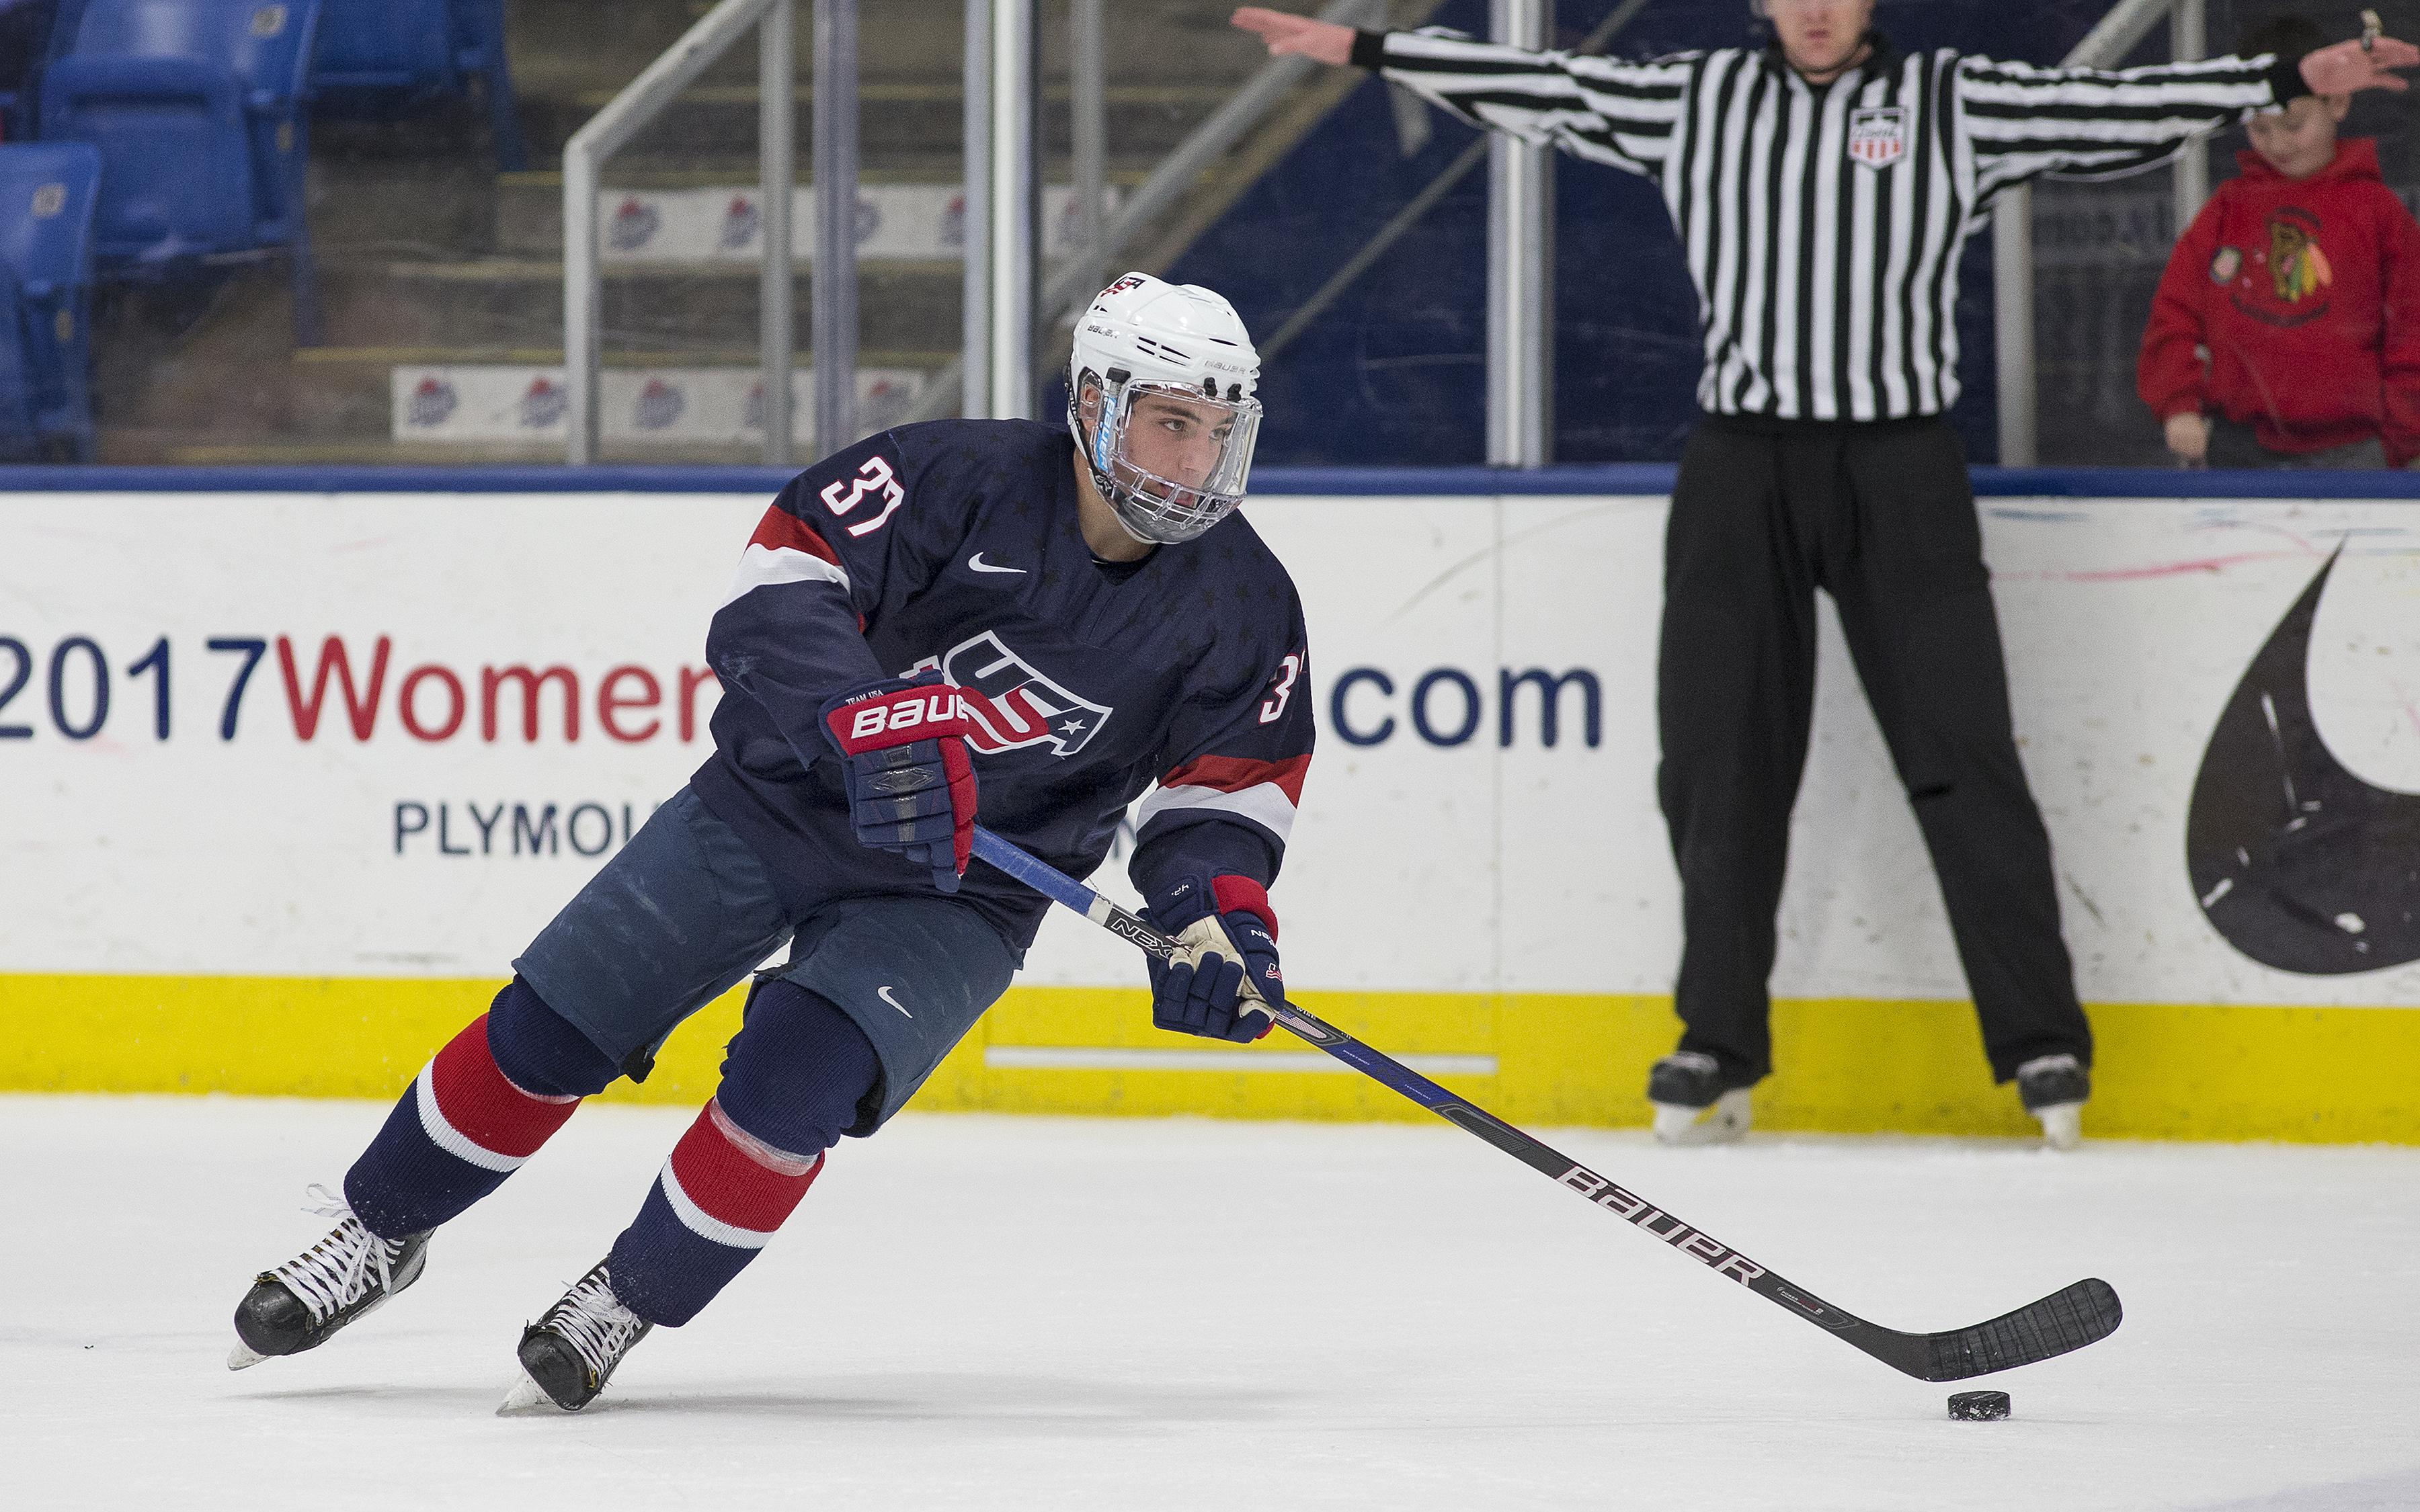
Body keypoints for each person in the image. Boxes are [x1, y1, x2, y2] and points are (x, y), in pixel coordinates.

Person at [1232, 0, 2417, 1148]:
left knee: (1963, 754)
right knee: (1715, 759)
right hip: (1742, 466)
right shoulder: (1698, 100)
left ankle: (2043, 1038)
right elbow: (1547, 88)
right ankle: (1717, 1037)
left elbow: (2105, 110)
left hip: (1901, 466)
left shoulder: (1951, 101)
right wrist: (1368, 46)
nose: (1814, 12)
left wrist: (2276, 79)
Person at [225, 273, 1316, 1412]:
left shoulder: (1244, 603)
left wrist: (1214, 918)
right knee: (554, 1021)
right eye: (1170, 422)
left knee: (799, 1074)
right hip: (780, 800)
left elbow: (1229, 792)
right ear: (1095, 401)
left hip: (962, 888)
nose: (1193, 460)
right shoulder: (956, 476)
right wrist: (855, 722)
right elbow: (780, 579)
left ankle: (626, 1295)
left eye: (1216, 430)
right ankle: (379, 1230)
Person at [2140, 16, 2420, 471]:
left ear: (2338, 102)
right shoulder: (2227, 209)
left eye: (2292, 124)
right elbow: (2175, 312)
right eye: (2260, 128)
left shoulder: (2379, 213)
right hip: (2238, 446)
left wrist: (2400, 435)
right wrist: (2179, 404)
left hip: (2357, 453)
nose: (2277, 144)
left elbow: (2414, 327)